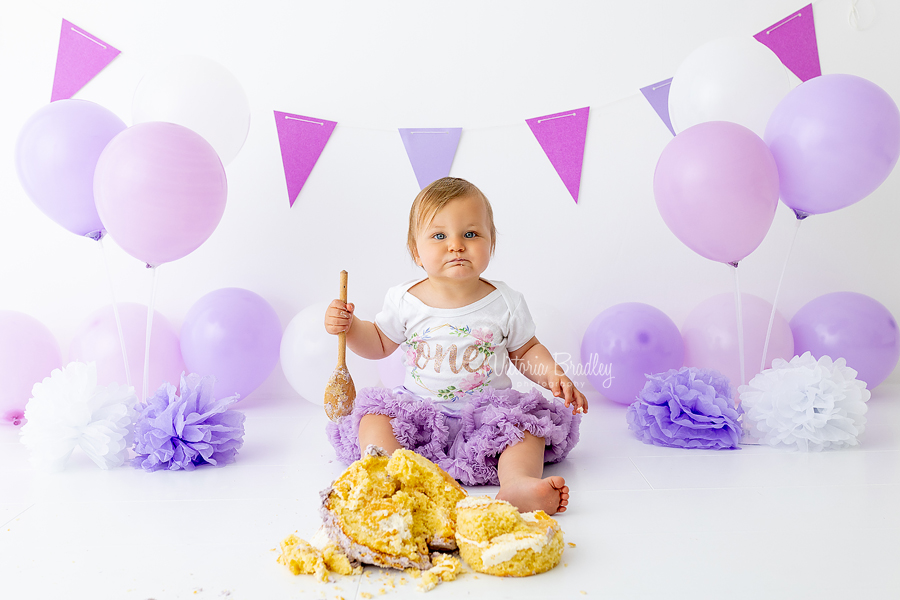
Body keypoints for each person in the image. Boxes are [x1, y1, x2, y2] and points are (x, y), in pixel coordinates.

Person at [324, 177, 586, 515]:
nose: (456, 245)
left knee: (526, 429)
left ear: (491, 243)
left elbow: (525, 349)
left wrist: (553, 375)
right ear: (416, 251)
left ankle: (518, 483)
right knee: (374, 418)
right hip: (419, 413)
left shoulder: (504, 301)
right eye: (439, 236)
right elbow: (378, 342)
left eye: (471, 234)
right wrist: (351, 327)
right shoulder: (406, 299)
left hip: (486, 417)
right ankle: (389, 479)